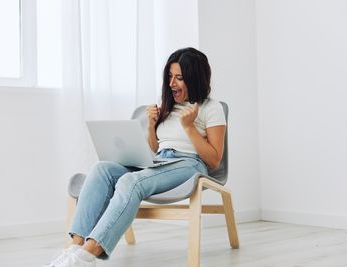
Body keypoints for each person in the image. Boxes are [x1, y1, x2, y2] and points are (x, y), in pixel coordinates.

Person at [44, 47, 226, 267]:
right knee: (102, 169)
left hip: (190, 165)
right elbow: (155, 148)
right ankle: (75, 248)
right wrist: (151, 126)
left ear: (195, 78)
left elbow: (214, 160)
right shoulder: (168, 106)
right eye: (169, 76)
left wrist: (189, 128)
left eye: (179, 78)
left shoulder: (211, 108)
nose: (172, 83)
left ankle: (86, 256)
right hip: (161, 162)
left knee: (131, 182)